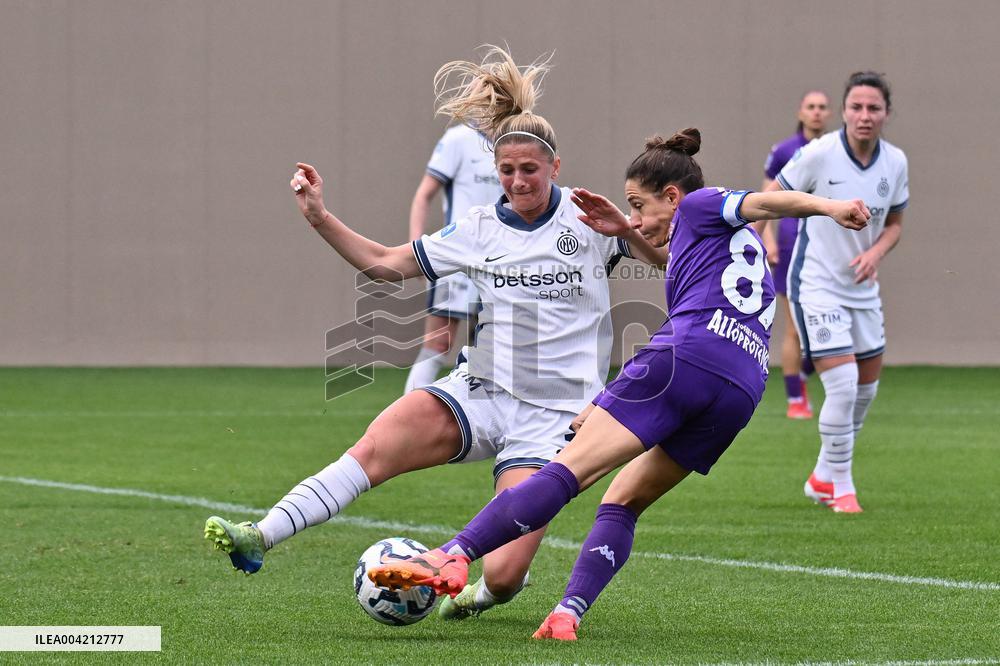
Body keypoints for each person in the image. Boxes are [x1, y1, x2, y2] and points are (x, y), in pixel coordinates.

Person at [203, 45, 666, 622]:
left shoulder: (590, 216)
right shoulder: (475, 228)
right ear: (494, 169)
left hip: (557, 418)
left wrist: (627, 230)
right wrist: (320, 217)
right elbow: (384, 265)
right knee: (377, 444)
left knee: (503, 572)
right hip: (482, 390)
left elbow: (671, 260)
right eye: (507, 169)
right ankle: (261, 535)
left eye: (530, 170)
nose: (518, 181)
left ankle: (480, 598)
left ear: (555, 167)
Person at [367, 129, 870, 641]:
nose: (633, 218)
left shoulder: (699, 203)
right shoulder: (719, 243)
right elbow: (677, 258)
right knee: (623, 501)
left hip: (686, 358)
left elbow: (766, 201)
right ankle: (567, 613)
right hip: (742, 387)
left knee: (567, 473)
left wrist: (830, 207)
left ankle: (451, 556)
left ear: (672, 197)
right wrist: (628, 231)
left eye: (638, 205)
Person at [770, 71, 908, 514]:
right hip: (817, 284)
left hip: (862, 288)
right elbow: (769, 197)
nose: (864, 116)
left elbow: (895, 226)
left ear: (886, 113)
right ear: (844, 111)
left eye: (873, 108)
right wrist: (756, 244)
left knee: (865, 393)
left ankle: (822, 475)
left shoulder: (896, 162)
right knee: (844, 387)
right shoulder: (818, 154)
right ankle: (842, 488)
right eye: (856, 107)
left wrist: (876, 254)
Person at [403, 123, 502, 394]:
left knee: (489, 351)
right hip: (457, 259)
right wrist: (416, 249)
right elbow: (424, 195)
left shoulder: (512, 139)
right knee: (438, 342)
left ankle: (483, 425)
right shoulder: (459, 138)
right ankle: (409, 420)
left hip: (499, 263)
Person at [756, 91, 831, 419]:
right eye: (811, 107)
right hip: (789, 243)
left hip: (825, 246)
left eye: (822, 107)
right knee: (794, 329)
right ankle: (794, 399)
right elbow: (765, 197)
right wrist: (766, 238)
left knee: (824, 323)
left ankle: (802, 372)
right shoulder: (785, 150)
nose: (816, 113)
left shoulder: (834, 149)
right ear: (801, 112)